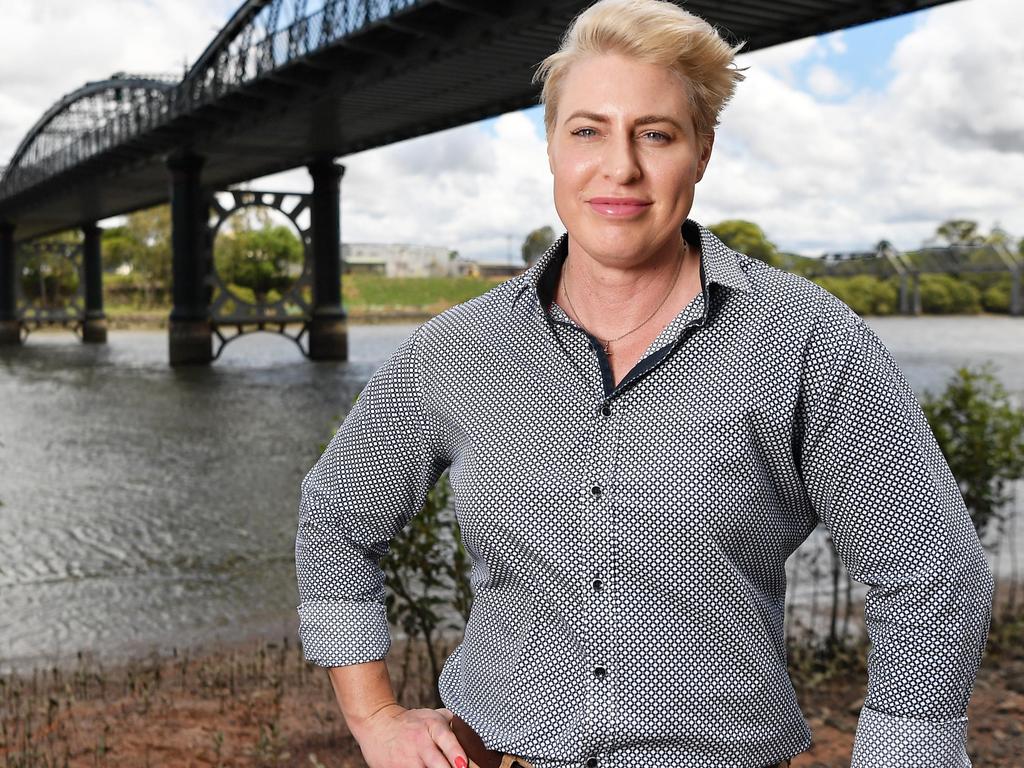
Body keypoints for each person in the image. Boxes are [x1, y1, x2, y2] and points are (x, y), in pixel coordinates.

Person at [295, 0, 994, 766]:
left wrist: (903, 749)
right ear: (552, 148)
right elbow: (336, 517)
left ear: (702, 150)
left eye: (654, 134)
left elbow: (930, 572)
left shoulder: (807, 339)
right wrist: (374, 717)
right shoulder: (457, 350)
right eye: (587, 130)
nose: (619, 167)